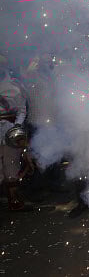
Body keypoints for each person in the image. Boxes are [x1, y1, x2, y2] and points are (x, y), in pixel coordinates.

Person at [0, 62, 29, 211]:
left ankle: (14, 200)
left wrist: (16, 127)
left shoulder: (16, 88)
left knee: (11, 167)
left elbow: (21, 110)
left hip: (10, 133)